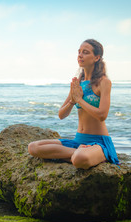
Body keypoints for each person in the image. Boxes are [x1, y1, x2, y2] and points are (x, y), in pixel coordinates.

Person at [28, 39, 119, 169]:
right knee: (33, 147)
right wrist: (72, 100)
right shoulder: (78, 83)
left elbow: (102, 115)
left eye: (85, 52)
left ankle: (92, 155)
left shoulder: (103, 82)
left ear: (97, 57)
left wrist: (79, 100)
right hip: (79, 142)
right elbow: (61, 114)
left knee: (79, 159)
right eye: (79, 52)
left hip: (98, 142)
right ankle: (83, 154)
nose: (80, 55)